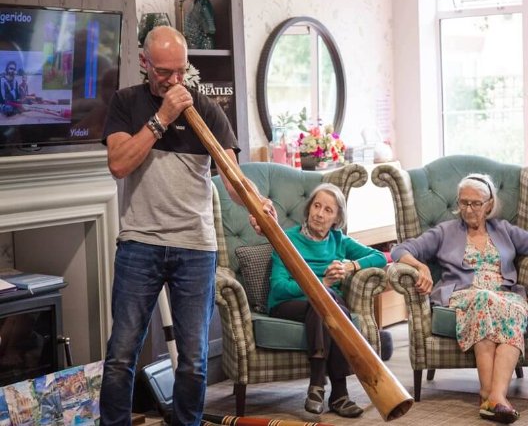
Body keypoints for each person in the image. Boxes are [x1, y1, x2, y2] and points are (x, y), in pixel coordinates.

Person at [99, 26, 275, 426]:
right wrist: (163, 117)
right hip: (139, 243)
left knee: (194, 360)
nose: (175, 80)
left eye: (181, 71)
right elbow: (119, 164)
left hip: (195, 247)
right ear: (144, 64)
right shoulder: (126, 104)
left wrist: (257, 203)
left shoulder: (208, 110)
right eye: (164, 72)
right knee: (122, 354)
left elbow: (233, 179)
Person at [390, 174, 528, 424]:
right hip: (464, 295)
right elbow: (400, 250)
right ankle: (492, 396)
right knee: (485, 299)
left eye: (475, 203)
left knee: (512, 309)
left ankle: (494, 397)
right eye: (463, 203)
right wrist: (421, 266)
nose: (468, 209)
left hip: (505, 296)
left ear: (489, 205)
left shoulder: (504, 230)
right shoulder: (445, 231)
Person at [267, 183, 387, 418]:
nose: (319, 214)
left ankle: (317, 387)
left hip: (325, 306)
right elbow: (279, 287)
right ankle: (338, 394)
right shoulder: (286, 239)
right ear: (309, 208)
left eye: (328, 210)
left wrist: (351, 265)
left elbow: (380, 257)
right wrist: (323, 284)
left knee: (324, 305)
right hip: (288, 304)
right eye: (316, 206)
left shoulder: (339, 240)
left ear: (337, 218)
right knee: (323, 302)